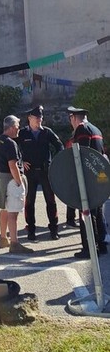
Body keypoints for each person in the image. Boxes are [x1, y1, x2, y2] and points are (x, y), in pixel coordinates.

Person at [66, 107, 108, 258]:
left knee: (86, 213)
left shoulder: (82, 129)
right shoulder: (96, 129)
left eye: (71, 119)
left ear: (73, 118)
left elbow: (81, 154)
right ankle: (101, 245)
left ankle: (89, 248)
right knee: (98, 212)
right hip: (99, 177)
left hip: (88, 179)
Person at [17, 106, 63, 241]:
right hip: (29, 172)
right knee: (29, 202)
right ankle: (31, 230)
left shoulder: (47, 132)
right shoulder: (22, 133)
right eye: (37, 118)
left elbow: (59, 146)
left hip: (45, 171)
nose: (39, 120)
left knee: (51, 201)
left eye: (41, 118)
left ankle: (54, 230)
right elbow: (13, 149)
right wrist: (21, 161)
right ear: (29, 118)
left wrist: (56, 162)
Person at [0, 116, 33, 254]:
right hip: (11, 180)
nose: (18, 129)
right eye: (17, 126)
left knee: (4, 209)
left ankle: (3, 238)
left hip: (1, 179)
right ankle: (14, 243)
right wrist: (19, 182)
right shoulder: (10, 143)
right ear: (11, 127)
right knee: (13, 213)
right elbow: (12, 165)